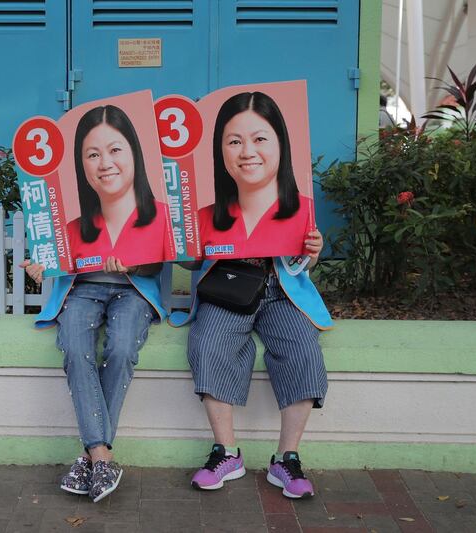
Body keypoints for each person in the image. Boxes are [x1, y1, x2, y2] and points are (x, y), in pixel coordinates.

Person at [173, 227, 332, 500]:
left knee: (304, 351)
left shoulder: (291, 192)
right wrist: (193, 240)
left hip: (283, 290)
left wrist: (313, 250)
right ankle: (227, 453)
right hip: (230, 283)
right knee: (209, 342)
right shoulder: (206, 193)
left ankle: (286, 458)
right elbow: (188, 261)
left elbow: (306, 262)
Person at [20, 251, 165, 502]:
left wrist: (135, 264)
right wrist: (40, 265)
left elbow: (158, 260)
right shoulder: (65, 209)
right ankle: (101, 456)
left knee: (122, 349)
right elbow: (48, 245)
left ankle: (89, 458)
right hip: (80, 287)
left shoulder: (147, 210)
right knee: (75, 350)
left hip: (134, 290)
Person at [197, 91, 312, 259]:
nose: (247, 152)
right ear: (219, 149)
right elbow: (191, 264)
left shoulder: (305, 212)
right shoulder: (202, 219)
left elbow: (303, 266)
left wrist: (312, 253)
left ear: (281, 143)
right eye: (235, 142)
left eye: (259, 139)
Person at [67, 104, 174, 271]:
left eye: (115, 150)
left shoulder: (166, 217)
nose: (105, 164)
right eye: (93, 155)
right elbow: (56, 272)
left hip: (138, 293)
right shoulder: (71, 231)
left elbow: (191, 263)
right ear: (81, 164)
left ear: (135, 153)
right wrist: (39, 268)